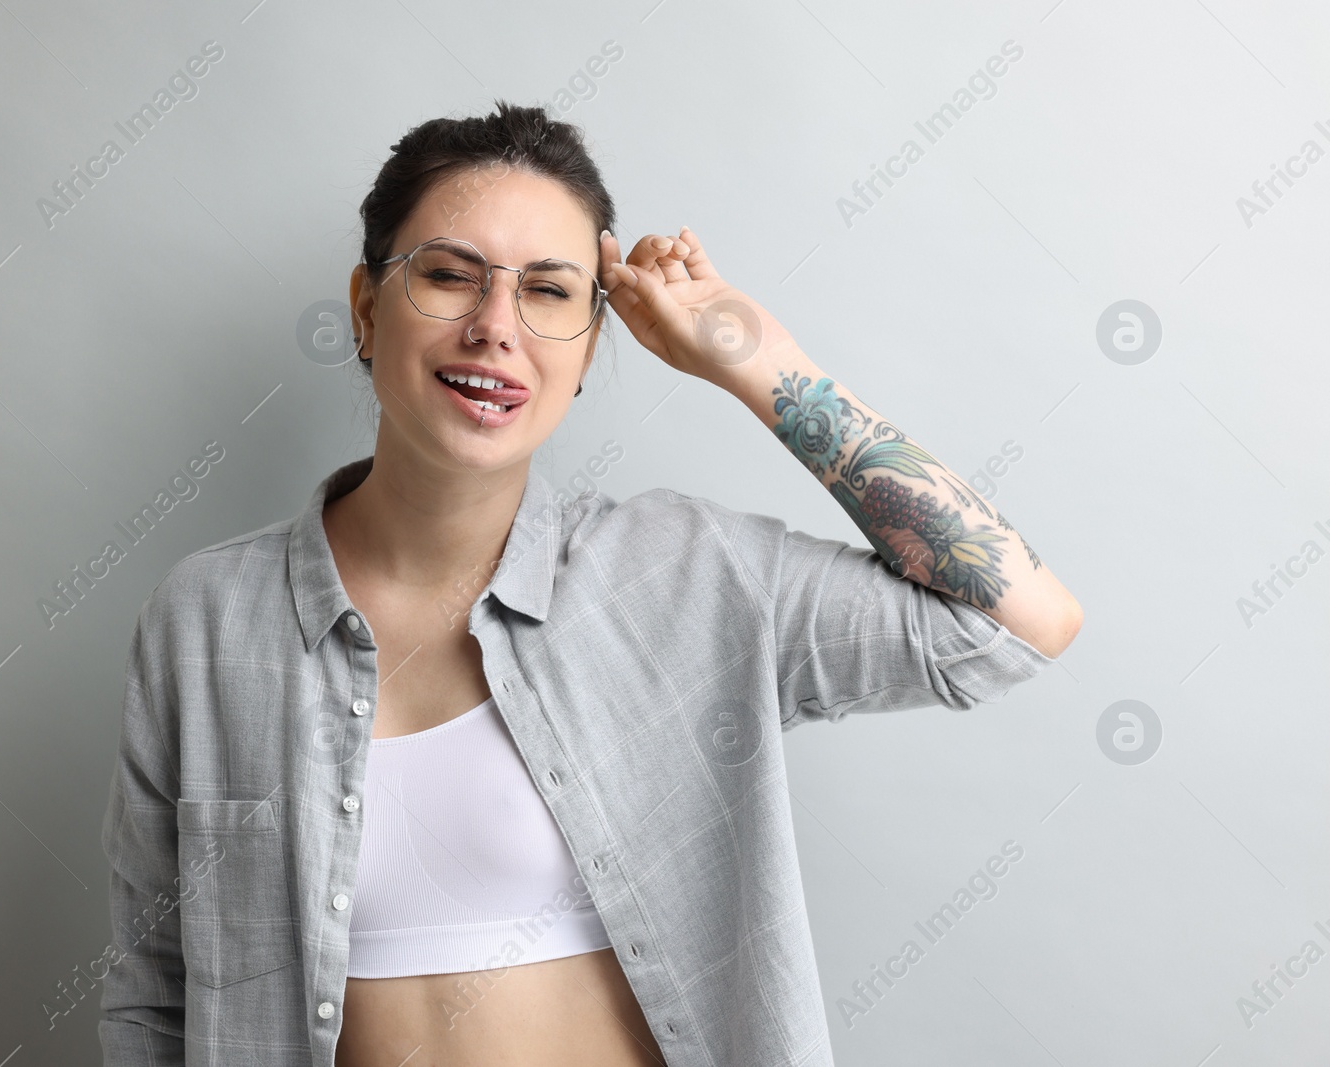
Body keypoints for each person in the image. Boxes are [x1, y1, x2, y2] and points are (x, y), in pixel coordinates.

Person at [98, 100, 1082, 1067]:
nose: (495, 326)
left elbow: (1018, 620)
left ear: (589, 346)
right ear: (365, 305)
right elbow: (153, 998)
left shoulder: (684, 575)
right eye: (449, 275)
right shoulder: (206, 620)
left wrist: (759, 365)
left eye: (549, 291)